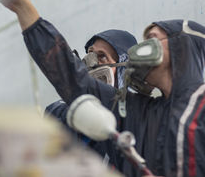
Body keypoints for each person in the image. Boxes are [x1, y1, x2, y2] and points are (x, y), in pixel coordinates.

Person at [0, 0, 205, 177]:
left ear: (183, 48)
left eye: (153, 39)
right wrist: (24, 8)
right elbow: (72, 78)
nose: (140, 50)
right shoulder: (134, 114)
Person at [45, 28, 137, 168]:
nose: (91, 63)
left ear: (124, 71)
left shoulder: (138, 122)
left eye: (102, 56)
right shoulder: (60, 112)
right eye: (90, 54)